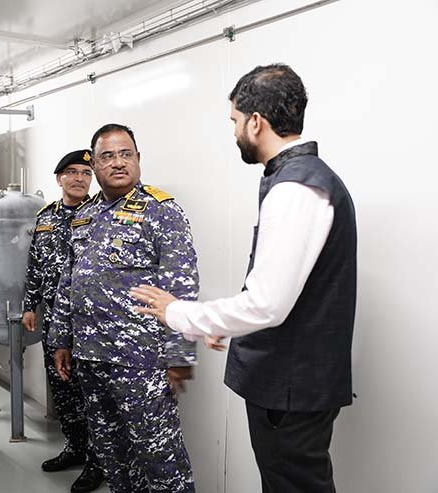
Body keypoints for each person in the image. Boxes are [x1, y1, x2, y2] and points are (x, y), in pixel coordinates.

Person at [131, 64, 357, 493]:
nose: (234, 131)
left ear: (256, 122)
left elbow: (268, 304)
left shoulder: (294, 189)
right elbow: (283, 287)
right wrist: (221, 324)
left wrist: (180, 314)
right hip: (292, 383)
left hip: (289, 388)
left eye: (235, 121)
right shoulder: (298, 179)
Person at [49, 124, 199, 493]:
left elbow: (182, 287)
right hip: (90, 357)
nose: (118, 162)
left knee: (160, 458)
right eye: (108, 156)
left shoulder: (161, 210)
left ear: (137, 159)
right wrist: (61, 338)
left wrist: (179, 355)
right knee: (111, 454)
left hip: (141, 362)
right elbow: (70, 278)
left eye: (125, 154)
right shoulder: (83, 215)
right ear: (95, 165)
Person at [22, 149, 104, 493]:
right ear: (59, 179)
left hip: (89, 321)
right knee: (63, 388)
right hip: (55, 319)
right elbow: (34, 264)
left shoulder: (102, 213)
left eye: (85, 173)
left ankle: (99, 461)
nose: (79, 178)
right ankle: (75, 447)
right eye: (72, 172)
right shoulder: (45, 217)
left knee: (92, 393)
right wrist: (30, 305)